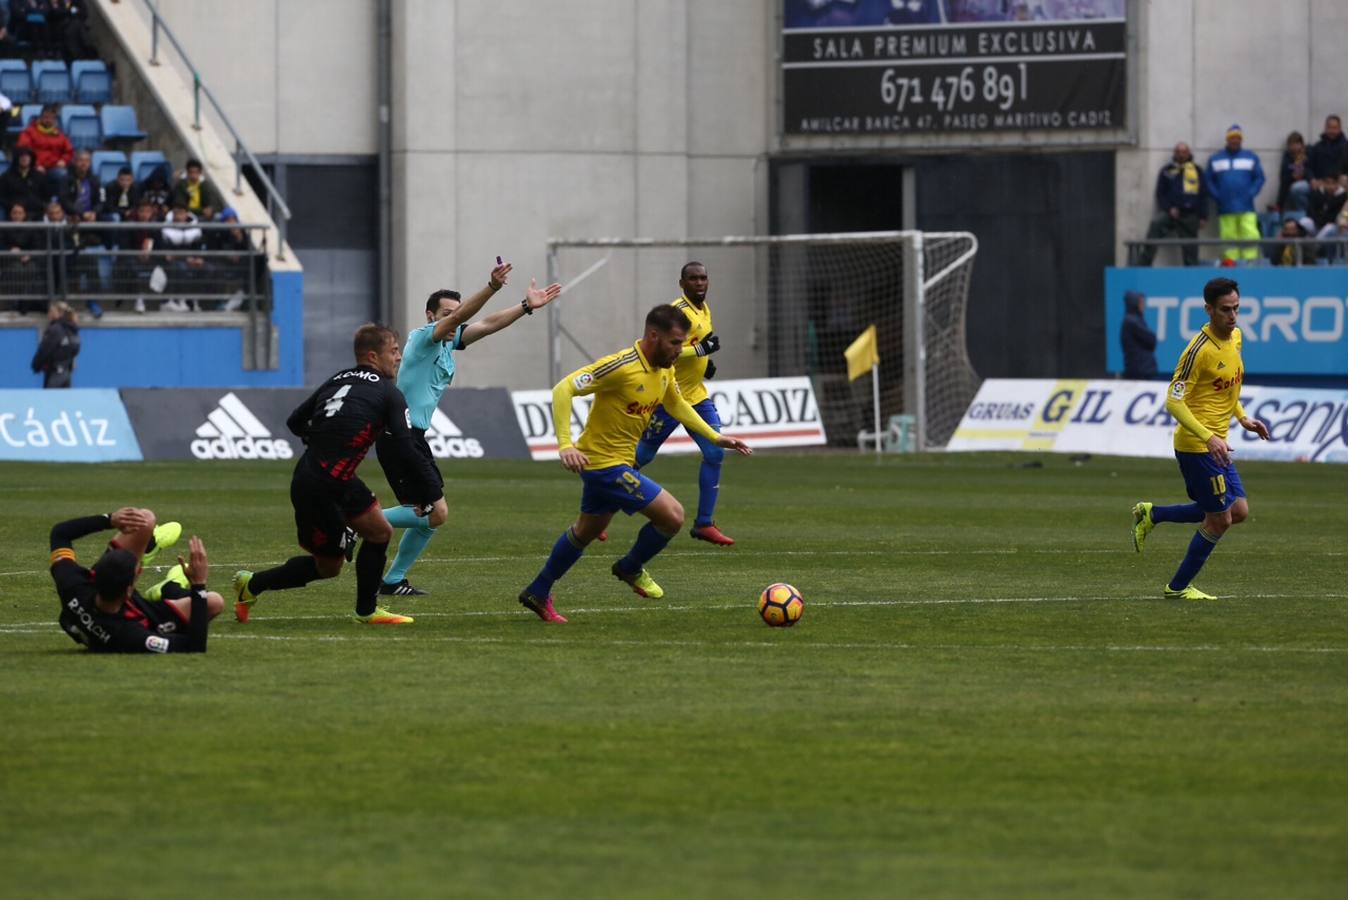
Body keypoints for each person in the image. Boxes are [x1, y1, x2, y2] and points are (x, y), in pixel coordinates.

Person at [518, 304, 753, 624]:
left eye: (682, 343)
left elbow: (677, 404)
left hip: (617, 462)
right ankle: (630, 567)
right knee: (672, 516)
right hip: (603, 465)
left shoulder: (665, 369)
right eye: (674, 343)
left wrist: (715, 437)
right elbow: (564, 389)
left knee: (585, 531)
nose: (680, 351)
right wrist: (564, 444)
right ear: (653, 336)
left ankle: (538, 590)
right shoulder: (620, 366)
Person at [374, 260, 562, 596]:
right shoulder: (423, 339)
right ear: (431, 315)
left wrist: (524, 306)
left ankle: (391, 580)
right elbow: (464, 319)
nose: (454, 317)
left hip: (411, 437)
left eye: (456, 312)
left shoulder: (448, 342)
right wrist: (491, 287)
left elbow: (487, 324)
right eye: (446, 313)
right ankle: (354, 521)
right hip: (398, 436)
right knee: (436, 512)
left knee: (428, 514)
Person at [233, 323, 441, 625]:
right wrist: (431, 493)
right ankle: (251, 584)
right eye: (393, 351)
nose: (398, 358)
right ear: (373, 355)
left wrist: (321, 439)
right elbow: (406, 448)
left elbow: (294, 422)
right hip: (318, 487)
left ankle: (367, 611)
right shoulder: (389, 393)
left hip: (328, 478)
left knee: (380, 532)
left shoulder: (338, 378)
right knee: (328, 567)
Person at [1131, 277, 1271, 601]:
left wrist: (1243, 418)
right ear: (1209, 309)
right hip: (1197, 446)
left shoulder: (1235, 338)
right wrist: (1208, 437)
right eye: (1225, 310)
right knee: (1220, 519)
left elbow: (1226, 388)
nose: (1233, 316)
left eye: (1236, 308)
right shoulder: (1198, 351)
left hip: (1217, 442)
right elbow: (1173, 401)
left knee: (1238, 511)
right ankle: (1177, 588)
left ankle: (1153, 514)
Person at [634, 261, 735, 544]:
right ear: (682, 284)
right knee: (640, 458)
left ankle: (704, 524)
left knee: (715, 452)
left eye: (703, 277)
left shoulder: (704, 309)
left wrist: (706, 363)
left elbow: (693, 346)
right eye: (693, 279)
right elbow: (668, 345)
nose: (700, 283)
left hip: (697, 395)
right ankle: (598, 508)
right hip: (670, 396)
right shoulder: (678, 312)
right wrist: (701, 350)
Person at [49, 507, 221, 654]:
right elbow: (194, 646)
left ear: (94, 574)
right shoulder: (130, 635)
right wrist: (198, 584)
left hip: (101, 604)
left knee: (144, 519)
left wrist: (110, 519)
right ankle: (170, 587)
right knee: (213, 602)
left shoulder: (73, 585)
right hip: (147, 619)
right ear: (130, 591)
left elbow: (60, 533)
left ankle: (151, 546)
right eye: (137, 569)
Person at [1138, 142, 1206, 266]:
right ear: (1174, 154)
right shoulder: (1166, 171)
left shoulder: (1197, 170)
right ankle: (1143, 265)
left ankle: (1192, 274)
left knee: (1190, 249)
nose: (1181, 155)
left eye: (1184, 152)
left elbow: (1203, 195)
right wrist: (1169, 208)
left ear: (1189, 153)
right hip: (1171, 213)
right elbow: (1160, 193)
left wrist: (1203, 216)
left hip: (1190, 214)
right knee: (1155, 225)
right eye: (1178, 152)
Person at [1205, 124, 1265, 263]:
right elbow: (1208, 180)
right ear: (1227, 139)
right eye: (1232, 138)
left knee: (1250, 234)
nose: (1235, 140)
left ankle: (1250, 264)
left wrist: (1251, 193)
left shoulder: (1251, 157)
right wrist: (1218, 196)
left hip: (1246, 206)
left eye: (1237, 138)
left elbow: (1259, 178)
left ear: (1241, 140)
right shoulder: (1216, 159)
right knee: (1228, 236)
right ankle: (1231, 265)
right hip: (1225, 206)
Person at [17, 103, 74, 196]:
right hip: (34, 168)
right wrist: (35, 165)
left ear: (55, 120)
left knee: (64, 175)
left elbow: (69, 151)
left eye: (51, 118)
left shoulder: (60, 135)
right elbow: (23, 150)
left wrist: (64, 160)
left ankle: (60, 204)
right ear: (40, 118)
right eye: (46, 117)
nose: (48, 120)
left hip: (54, 167)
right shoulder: (29, 132)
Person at [30, 300, 80, 386]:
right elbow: (75, 349)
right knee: (65, 398)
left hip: (54, 373)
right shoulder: (71, 328)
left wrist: (36, 365)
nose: (48, 314)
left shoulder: (55, 329)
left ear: (58, 313)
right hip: (66, 373)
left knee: (50, 398)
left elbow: (45, 350)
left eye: (51, 311)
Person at [170, 157, 225, 222]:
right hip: (187, 215)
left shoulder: (206, 185)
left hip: (203, 215)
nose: (194, 175)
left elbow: (217, 204)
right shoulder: (181, 185)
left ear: (200, 173)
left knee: (218, 217)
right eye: (191, 172)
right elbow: (180, 206)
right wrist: (202, 211)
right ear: (187, 173)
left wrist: (211, 209)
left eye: (196, 172)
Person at [1119, 290, 1157, 379]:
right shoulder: (1131, 322)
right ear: (1134, 303)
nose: (1143, 305)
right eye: (1141, 302)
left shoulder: (1136, 320)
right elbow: (1151, 339)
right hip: (1138, 372)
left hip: (1142, 370)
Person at [0, 147, 47, 219]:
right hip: (14, 214)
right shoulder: (6, 177)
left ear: (31, 159)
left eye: (27, 156)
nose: (25, 158)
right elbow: (2, 197)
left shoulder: (39, 176)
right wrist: (13, 206)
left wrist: (39, 205)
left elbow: (46, 195)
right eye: (22, 156)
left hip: (36, 212)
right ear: (17, 159)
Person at [1277, 131, 1312, 213]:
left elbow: (1310, 170)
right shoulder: (1287, 157)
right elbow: (1284, 176)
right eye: (1291, 144)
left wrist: (1300, 162)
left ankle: (1304, 212)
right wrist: (1293, 176)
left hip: (1308, 183)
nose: (1294, 147)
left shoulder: (1309, 153)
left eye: (1296, 144)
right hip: (1291, 183)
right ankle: (1280, 206)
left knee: (1297, 188)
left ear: (1301, 144)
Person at [1307, 115, 1347, 182]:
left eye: (1335, 128)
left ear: (1340, 129)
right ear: (1325, 128)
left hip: (1340, 185)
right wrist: (1312, 179)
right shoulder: (1317, 147)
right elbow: (1309, 167)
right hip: (1319, 184)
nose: (1332, 131)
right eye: (1329, 127)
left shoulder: (1346, 147)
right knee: (1299, 188)